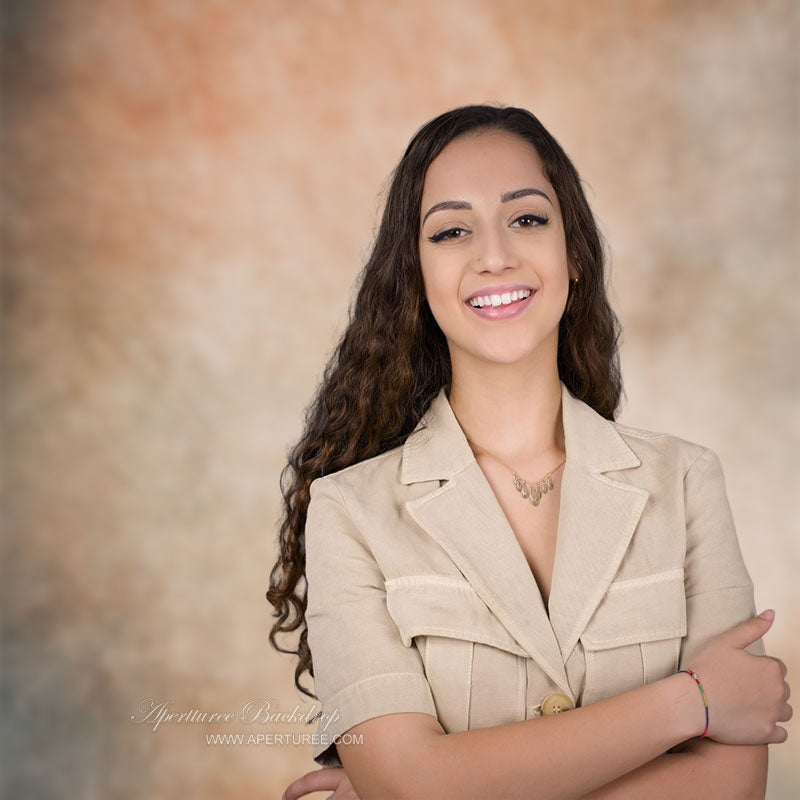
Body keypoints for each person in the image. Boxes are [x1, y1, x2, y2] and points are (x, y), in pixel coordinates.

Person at [267, 104, 792, 800]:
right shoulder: (348, 513)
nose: (494, 255)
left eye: (527, 218)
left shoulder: (688, 483)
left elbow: (731, 787)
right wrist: (690, 703)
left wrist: (437, 787)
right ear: (415, 276)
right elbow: (410, 784)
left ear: (572, 251)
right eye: (452, 231)